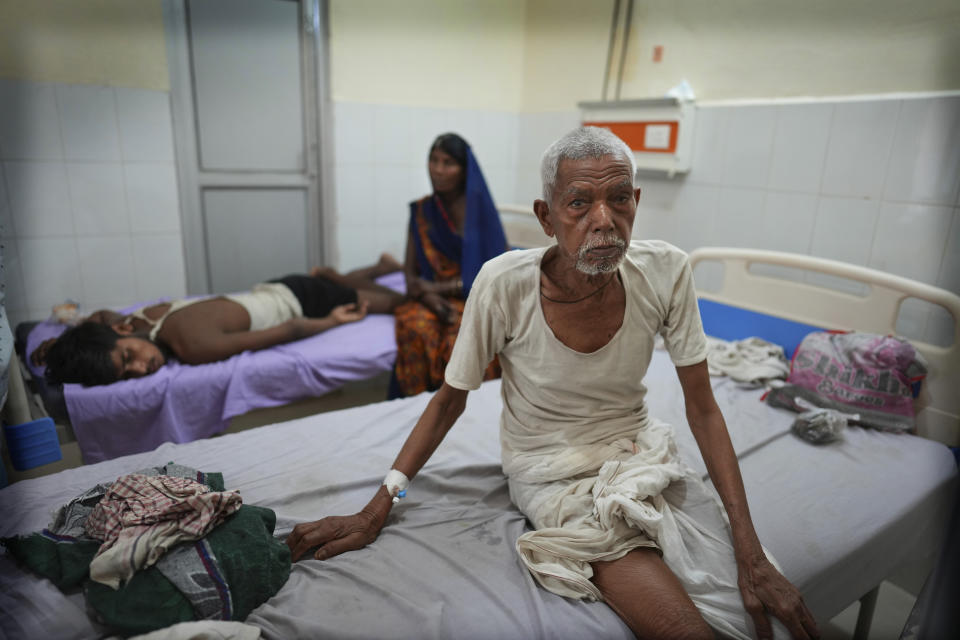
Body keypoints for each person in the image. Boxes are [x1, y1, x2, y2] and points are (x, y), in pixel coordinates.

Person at [286, 128, 819, 640]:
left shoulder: (667, 271)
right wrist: (377, 506)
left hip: (638, 453)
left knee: (754, 602)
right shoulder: (503, 285)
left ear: (636, 201)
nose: (604, 221)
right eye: (579, 203)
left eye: (618, 199)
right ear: (546, 216)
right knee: (683, 630)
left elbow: (703, 409)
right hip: (549, 471)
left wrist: (748, 548)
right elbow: (449, 402)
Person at [36, 255, 405, 386]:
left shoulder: (192, 347)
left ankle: (340, 278)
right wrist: (62, 347)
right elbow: (97, 319)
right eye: (127, 373)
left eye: (128, 357)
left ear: (119, 333)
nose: (140, 368)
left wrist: (334, 321)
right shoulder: (134, 324)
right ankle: (376, 268)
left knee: (398, 303)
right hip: (275, 287)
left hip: (304, 300)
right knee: (349, 285)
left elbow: (290, 329)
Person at [391, 133, 508, 397]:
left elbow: (493, 277)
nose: (438, 170)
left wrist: (436, 289)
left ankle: (464, 412)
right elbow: (410, 273)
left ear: (465, 170)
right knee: (415, 327)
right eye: (433, 160)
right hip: (428, 297)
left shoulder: (480, 214)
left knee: (464, 341)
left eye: (448, 163)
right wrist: (429, 297)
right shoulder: (422, 211)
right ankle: (414, 410)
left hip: (474, 299)